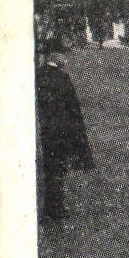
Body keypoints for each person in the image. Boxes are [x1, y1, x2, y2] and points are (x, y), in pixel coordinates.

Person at [36, 35, 95, 223]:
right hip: (60, 132)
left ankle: (53, 207)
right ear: (55, 56)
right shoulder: (62, 78)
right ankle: (54, 209)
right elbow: (73, 109)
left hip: (46, 130)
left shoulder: (38, 74)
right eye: (63, 55)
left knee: (51, 170)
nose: (66, 59)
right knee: (57, 171)